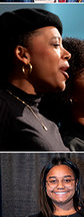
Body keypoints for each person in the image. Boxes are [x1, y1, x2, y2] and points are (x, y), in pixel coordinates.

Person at [0, 8, 69, 151]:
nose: (67, 54)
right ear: (23, 55)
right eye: (56, 45)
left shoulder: (51, 126)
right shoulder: (3, 107)